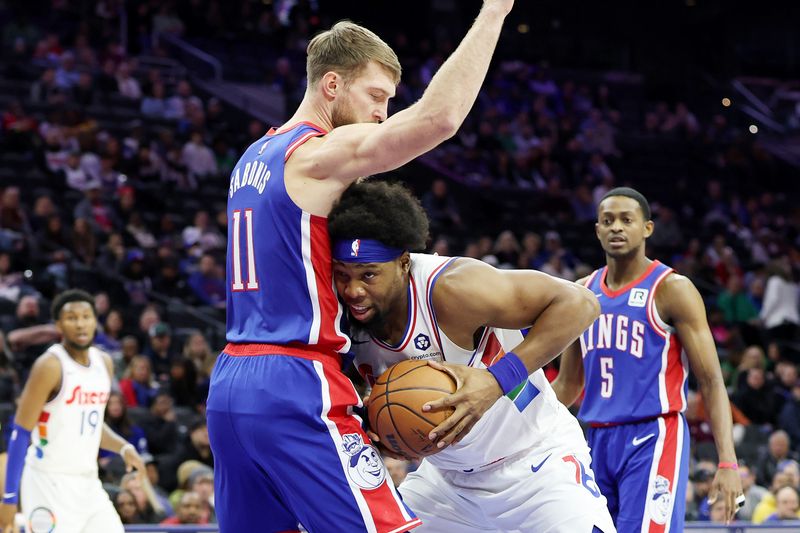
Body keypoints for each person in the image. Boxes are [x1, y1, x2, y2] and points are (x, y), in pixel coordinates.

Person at [206, 2, 515, 531]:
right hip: (295, 379)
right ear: (331, 85)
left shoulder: (253, 155)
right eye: (376, 97)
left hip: (230, 383)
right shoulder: (316, 153)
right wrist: (494, 12)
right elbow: (437, 120)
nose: (383, 114)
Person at [328, 181, 615, 532]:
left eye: (368, 275)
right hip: (447, 483)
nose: (353, 290)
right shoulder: (339, 313)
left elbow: (581, 304)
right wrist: (383, 431)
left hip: (535, 464)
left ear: (403, 263)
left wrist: (496, 381)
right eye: (343, 275)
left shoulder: (453, 288)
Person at [551, 187, 743, 531]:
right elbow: (568, 384)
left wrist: (727, 463)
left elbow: (712, 381)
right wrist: (509, 420)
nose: (616, 228)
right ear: (597, 230)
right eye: (607, 221)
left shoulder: (673, 289)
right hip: (593, 438)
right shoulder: (581, 292)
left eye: (627, 220)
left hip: (652, 435)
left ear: (647, 228)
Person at [0, 289, 146, 532]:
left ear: (94, 321)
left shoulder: (104, 362)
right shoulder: (50, 365)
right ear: (58, 324)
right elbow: (21, 432)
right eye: (71, 318)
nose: (80, 324)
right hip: (48, 483)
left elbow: (92, 423)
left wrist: (123, 447)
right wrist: (9, 499)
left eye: (86, 317)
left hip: (88, 483)